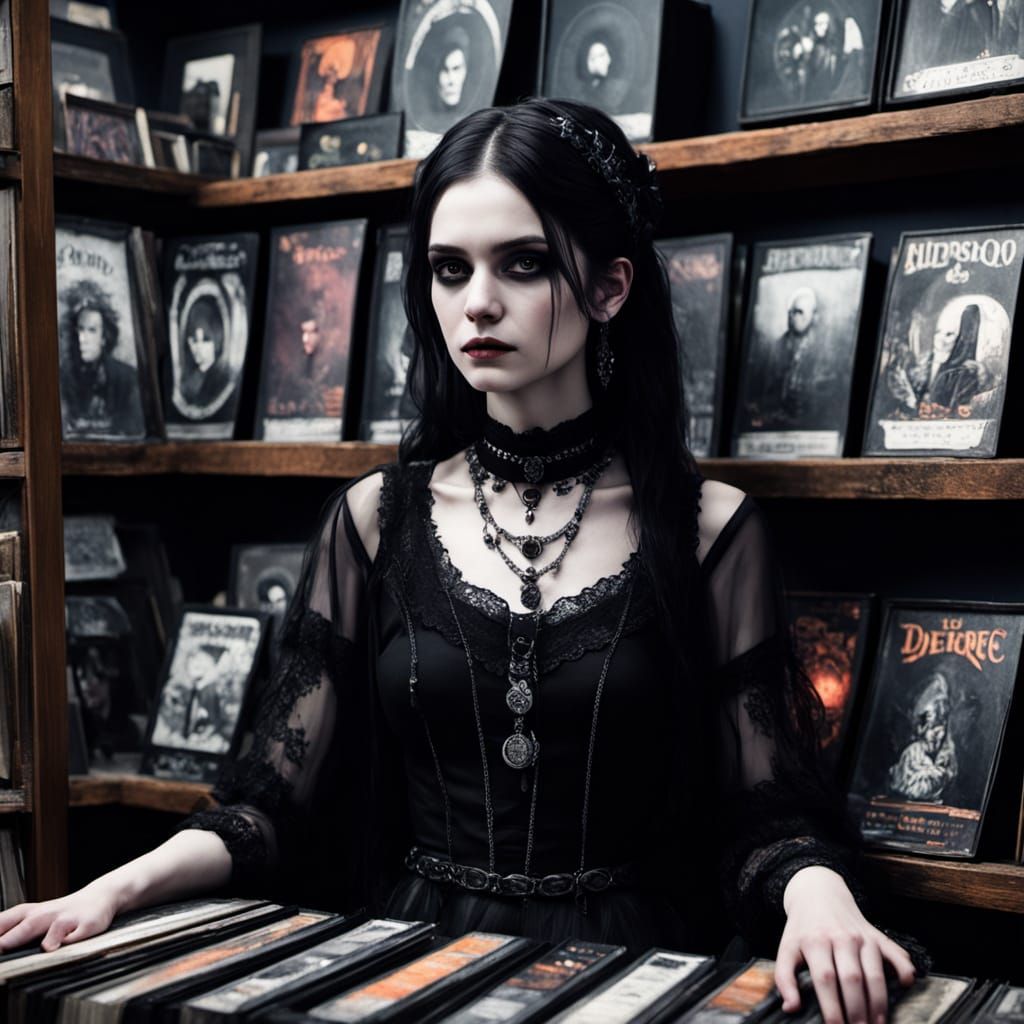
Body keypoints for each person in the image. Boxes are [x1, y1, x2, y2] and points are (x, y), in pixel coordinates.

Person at [0, 99, 918, 1024]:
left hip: (629, 972)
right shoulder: (373, 519)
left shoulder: (711, 531)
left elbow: (765, 810)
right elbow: (271, 801)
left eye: (522, 263)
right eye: (449, 269)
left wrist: (820, 898)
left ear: (610, 288)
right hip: (412, 962)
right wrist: (112, 890)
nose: (477, 301)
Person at [59, 278, 145, 439]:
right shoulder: (63, 377)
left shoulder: (126, 378)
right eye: (80, 330)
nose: (82, 339)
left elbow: (133, 431)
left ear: (104, 337)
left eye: (92, 330)